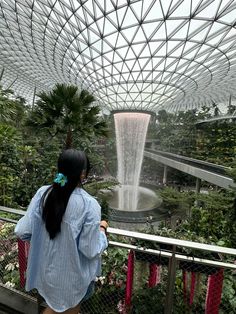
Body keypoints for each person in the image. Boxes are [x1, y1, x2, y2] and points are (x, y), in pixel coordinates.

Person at [15, 149, 108, 314]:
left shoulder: (43, 193)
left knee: (53, 309)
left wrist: (41, 239)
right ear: (83, 174)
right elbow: (90, 249)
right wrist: (102, 230)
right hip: (72, 280)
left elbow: (22, 230)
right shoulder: (89, 205)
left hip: (45, 273)